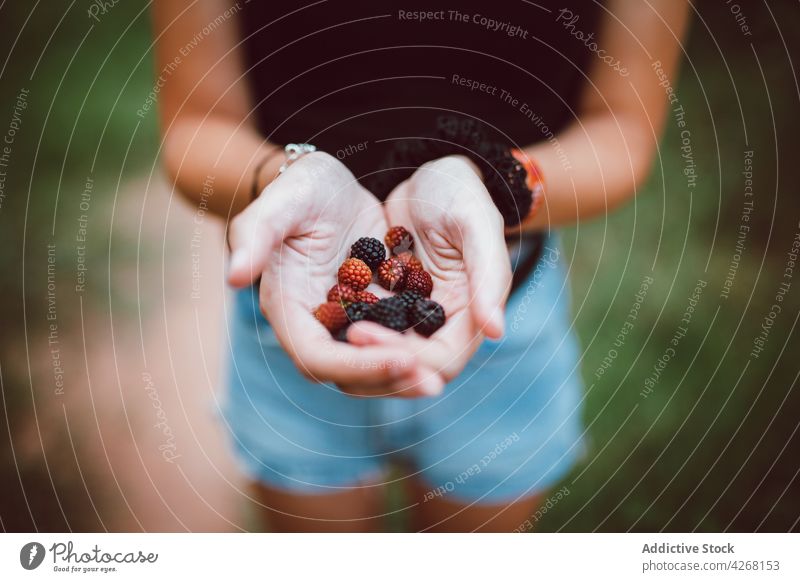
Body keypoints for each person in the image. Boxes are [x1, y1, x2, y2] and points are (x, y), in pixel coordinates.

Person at [153, 0, 689, 531]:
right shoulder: (359, 284)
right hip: (288, 292)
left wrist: (489, 182)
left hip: (500, 299)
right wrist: (283, 177)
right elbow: (195, 127)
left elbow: (623, 131)